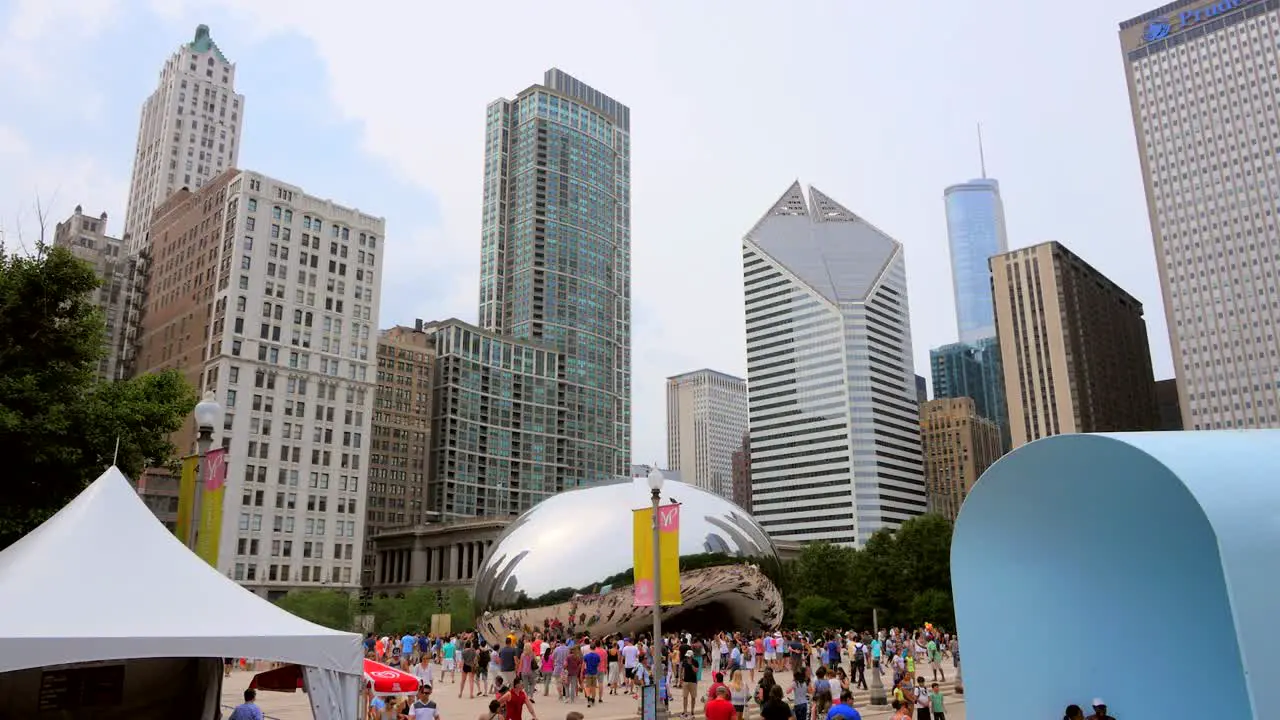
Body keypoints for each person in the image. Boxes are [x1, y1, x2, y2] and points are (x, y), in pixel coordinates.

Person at [681, 650, 701, 718]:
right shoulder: (684, 661)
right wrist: (681, 680)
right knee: (685, 697)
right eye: (687, 656)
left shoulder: (695, 662)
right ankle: (685, 711)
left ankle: (692, 711)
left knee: (693, 697)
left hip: (693, 682)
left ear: (692, 656)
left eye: (689, 656)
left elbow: (696, 671)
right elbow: (683, 670)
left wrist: (691, 664)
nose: (688, 658)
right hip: (685, 681)